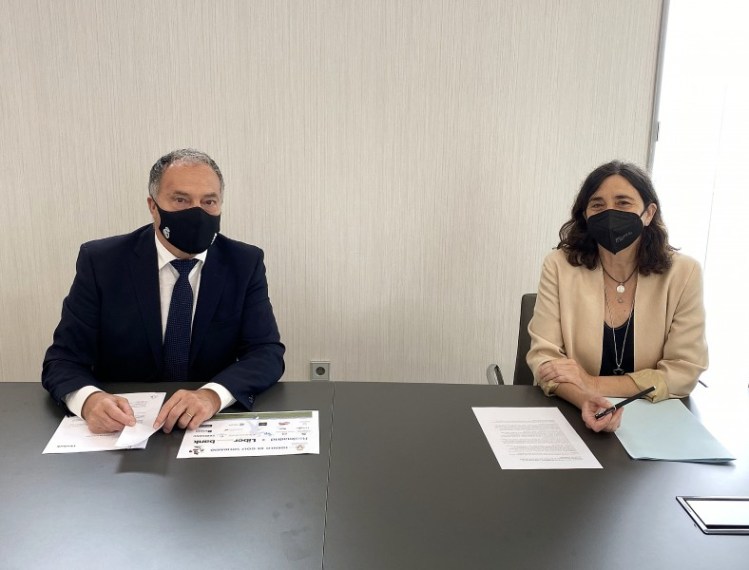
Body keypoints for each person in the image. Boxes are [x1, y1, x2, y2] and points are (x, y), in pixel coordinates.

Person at [42, 149, 285, 434]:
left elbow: (265, 353)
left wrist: (212, 396)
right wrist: (88, 401)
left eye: (209, 201)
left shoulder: (244, 263)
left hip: (204, 427)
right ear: (153, 206)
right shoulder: (102, 262)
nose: (197, 212)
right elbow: (63, 359)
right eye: (181, 200)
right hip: (123, 426)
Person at [527, 160, 708, 432]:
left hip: (656, 422)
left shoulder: (684, 273)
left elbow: (683, 371)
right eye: (598, 205)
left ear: (648, 213)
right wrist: (586, 399)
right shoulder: (559, 266)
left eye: (623, 203)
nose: (610, 213)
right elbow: (545, 359)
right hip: (574, 414)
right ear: (586, 215)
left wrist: (592, 383)